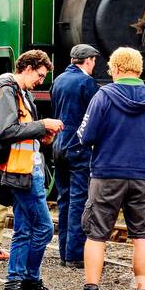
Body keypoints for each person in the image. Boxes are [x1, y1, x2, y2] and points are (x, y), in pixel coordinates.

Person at [74, 47, 145, 290]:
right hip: (144, 177)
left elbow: (86, 136)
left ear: (115, 69)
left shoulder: (104, 96)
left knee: (96, 235)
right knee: (143, 237)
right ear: (139, 70)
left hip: (106, 174)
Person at [0, 50, 64, 290]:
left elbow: (22, 132)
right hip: (19, 171)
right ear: (29, 68)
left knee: (24, 229)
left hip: (27, 168)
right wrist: (42, 124)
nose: (42, 81)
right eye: (41, 75)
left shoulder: (22, 94)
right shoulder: (8, 91)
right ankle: (24, 283)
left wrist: (42, 137)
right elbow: (6, 130)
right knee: (43, 228)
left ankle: (19, 285)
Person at [50, 44, 100, 268]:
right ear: (88, 60)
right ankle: (75, 254)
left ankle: (63, 253)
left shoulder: (58, 79)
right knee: (79, 200)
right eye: (94, 61)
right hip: (79, 147)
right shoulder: (86, 83)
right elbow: (95, 113)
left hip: (59, 144)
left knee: (64, 199)